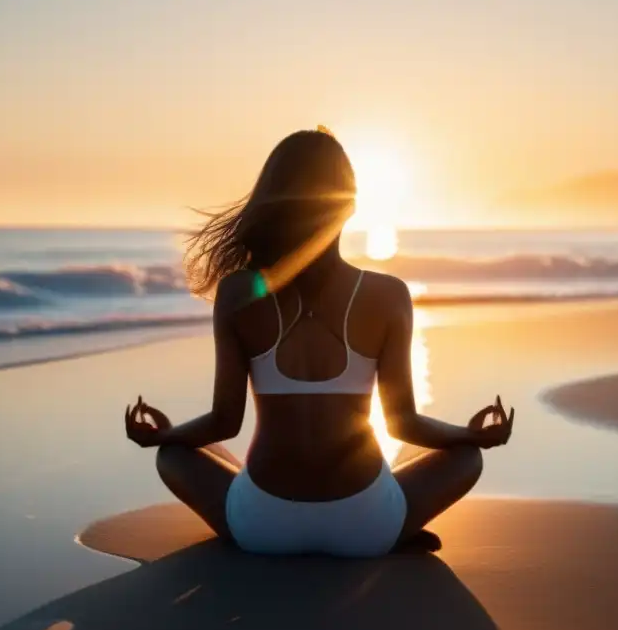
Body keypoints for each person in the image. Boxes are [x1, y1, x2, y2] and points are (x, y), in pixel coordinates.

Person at [124, 127, 514, 557]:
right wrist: (471, 436)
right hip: (367, 526)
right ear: (348, 208)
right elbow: (404, 423)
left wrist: (164, 436)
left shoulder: (239, 293)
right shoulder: (388, 295)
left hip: (262, 528)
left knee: (174, 455)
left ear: (269, 201)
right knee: (466, 458)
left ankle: (256, 516)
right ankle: (396, 529)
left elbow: (224, 423)